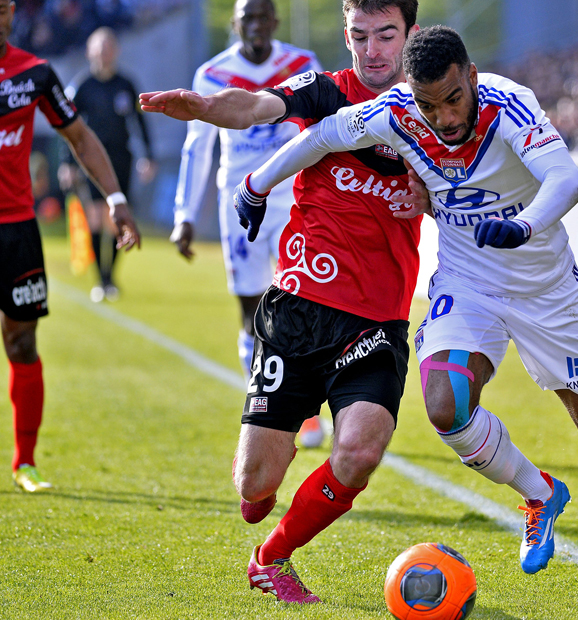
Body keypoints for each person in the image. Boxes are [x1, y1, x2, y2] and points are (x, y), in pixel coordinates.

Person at [239, 25, 578, 600]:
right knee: (446, 405)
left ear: (471, 77)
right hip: (468, 283)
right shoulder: (397, 111)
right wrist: (256, 184)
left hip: (547, 290)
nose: (444, 118)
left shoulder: (508, 103)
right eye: (429, 105)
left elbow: (565, 180)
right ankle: (540, 493)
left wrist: (524, 226)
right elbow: (321, 136)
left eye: (453, 98)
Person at [140, 0, 423, 604]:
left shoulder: (439, 106)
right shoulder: (325, 90)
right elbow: (258, 104)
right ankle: (270, 473)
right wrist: (209, 109)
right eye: (359, 36)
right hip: (299, 307)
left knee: (360, 449)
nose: (372, 51)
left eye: (386, 36)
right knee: (253, 488)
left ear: (411, 35)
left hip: (377, 318)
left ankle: (272, 558)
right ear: (346, 36)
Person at [169, 0, 325, 447]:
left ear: (274, 22)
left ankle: (306, 412)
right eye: (247, 18)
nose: (256, 25)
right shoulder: (212, 75)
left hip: (294, 199)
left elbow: (321, 130)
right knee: (251, 312)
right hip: (240, 207)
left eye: (263, 17)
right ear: (235, 24)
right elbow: (197, 149)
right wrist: (184, 215)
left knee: (302, 302)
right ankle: (265, 403)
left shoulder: (301, 65)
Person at [0, 0, 140, 492]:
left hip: (16, 231)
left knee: (21, 341)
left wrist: (116, 198)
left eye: (1, 9)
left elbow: (79, 138)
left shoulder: (35, 74)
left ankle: (25, 463)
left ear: (12, 12)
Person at [60, 26, 154, 302]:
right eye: (99, 48)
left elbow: (139, 121)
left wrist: (148, 156)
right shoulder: (82, 87)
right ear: (90, 52)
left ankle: (110, 277)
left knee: (117, 218)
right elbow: (68, 127)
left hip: (121, 159)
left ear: (116, 51)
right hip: (90, 161)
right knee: (96, 216)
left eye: (108, 48)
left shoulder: (125, 85)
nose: (104, 53)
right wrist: (68, 163)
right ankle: (99, 279)